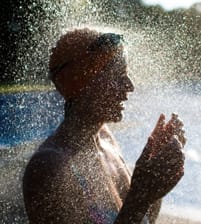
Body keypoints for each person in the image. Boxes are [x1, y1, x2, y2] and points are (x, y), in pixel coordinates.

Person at [22, 28, 186, 224]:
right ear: (82, 82)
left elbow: (143, 218)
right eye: (117, 76)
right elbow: (136, 208)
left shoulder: (107, 141)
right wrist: (141, 195)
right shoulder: (48, 168)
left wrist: (155, 182)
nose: (130, 85)